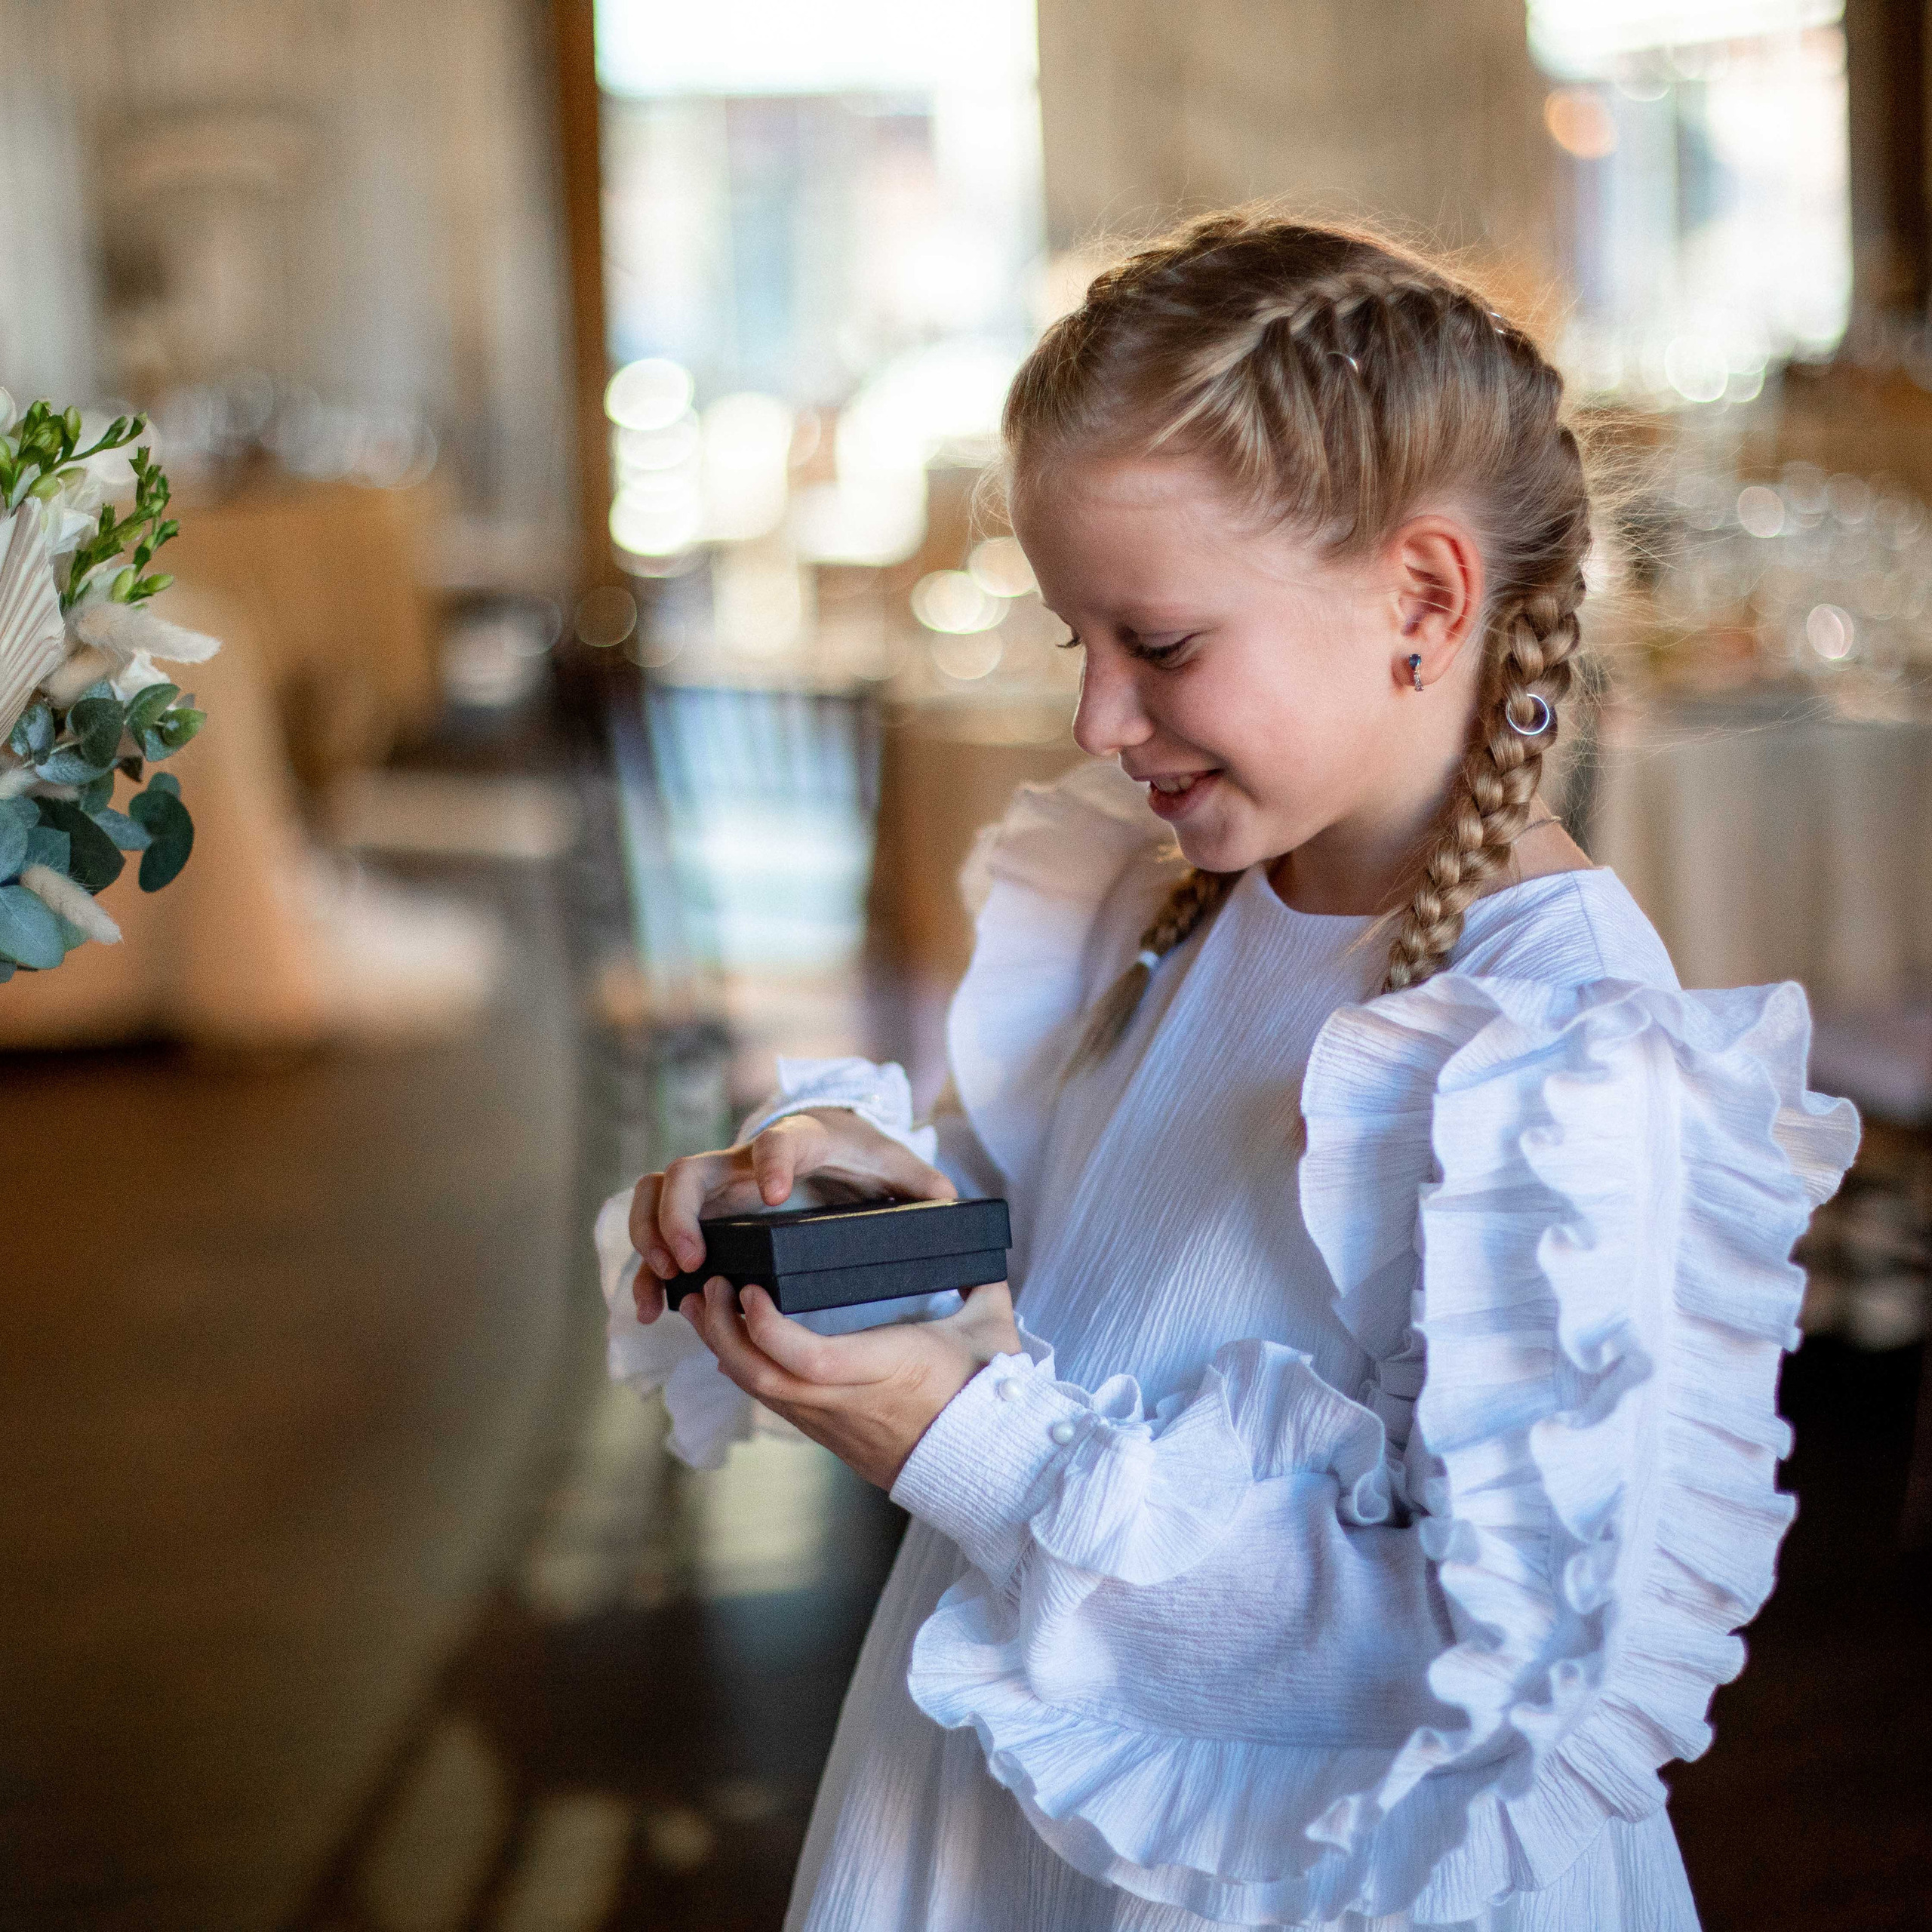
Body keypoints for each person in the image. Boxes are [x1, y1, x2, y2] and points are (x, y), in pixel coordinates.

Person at [595, 213, 1860, 1930]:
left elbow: (1452, 1659)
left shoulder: (1560, 1071)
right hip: (1007, 1805)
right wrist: (872, 1209)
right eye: (1077, 647)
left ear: (1421, 596)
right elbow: (1084, 1280)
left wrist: (965, 1445)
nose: (1097, 722)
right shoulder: (1159, 902)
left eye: (1162, 647)